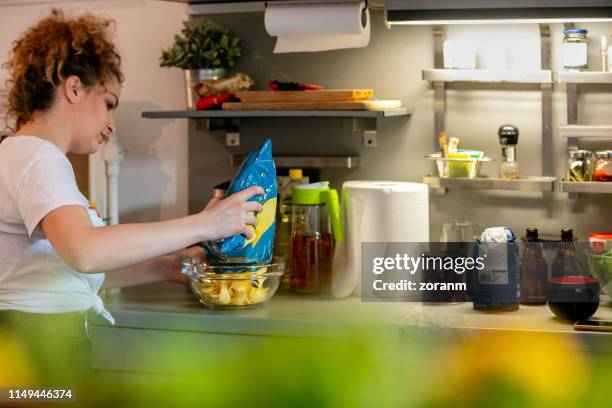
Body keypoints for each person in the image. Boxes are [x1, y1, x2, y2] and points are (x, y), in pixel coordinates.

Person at [0, 9, 263, 390]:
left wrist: (166, 267)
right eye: (108, 103)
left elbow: (62, 270)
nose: (113, 123)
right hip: (35, 346)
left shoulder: (18, 153)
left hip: (28, 342)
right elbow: (85, 252)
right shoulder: (39, 158)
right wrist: (206, 223)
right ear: (73, 89)